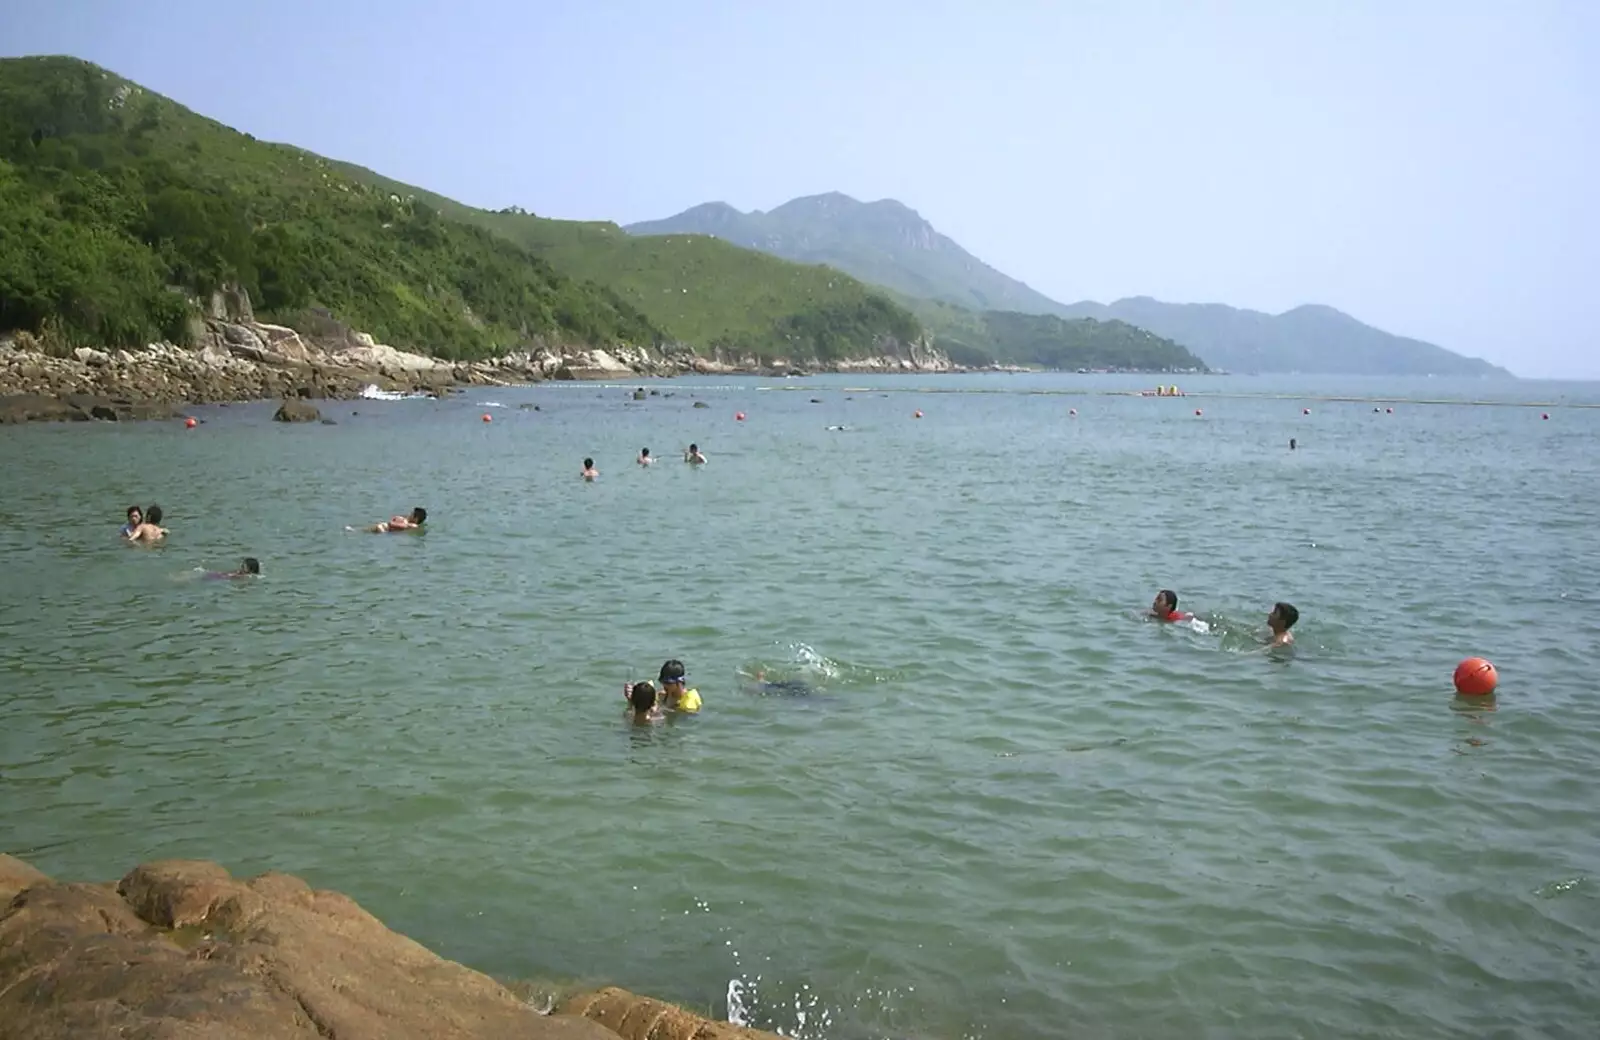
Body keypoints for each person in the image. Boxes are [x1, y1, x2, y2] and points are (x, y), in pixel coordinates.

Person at [353, 507, 427, 533]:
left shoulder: (413, 525)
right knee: (365, 530)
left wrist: (392, 523)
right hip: (384, 529)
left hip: (383, 529)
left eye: (411, 514)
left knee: (364, 531)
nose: (409, 515)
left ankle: (354, 531)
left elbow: (395, 524)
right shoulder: (410, 524)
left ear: (415, 518)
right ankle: (355, 530)